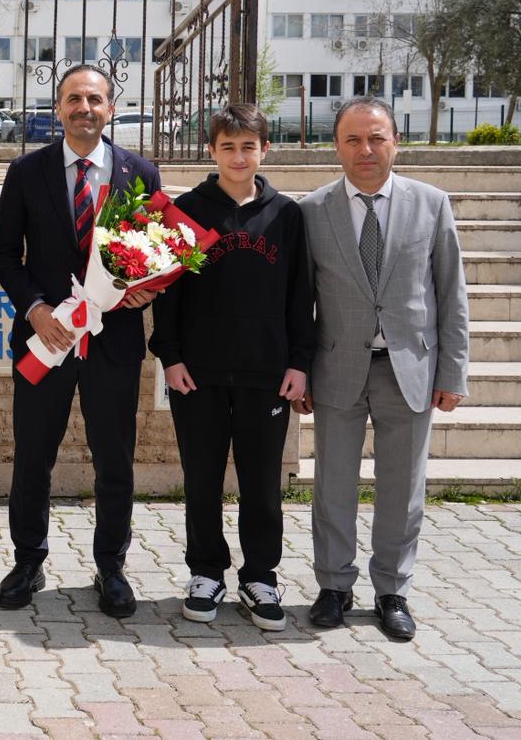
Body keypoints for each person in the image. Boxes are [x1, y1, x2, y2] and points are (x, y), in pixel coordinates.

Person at [295, 97, 468, 641]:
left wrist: (453, 372)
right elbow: (299, 302)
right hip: (337, 368)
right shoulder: (311, 210)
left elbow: (451, 293)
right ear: (336, 147)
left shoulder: (432, 204)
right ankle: (334, 586)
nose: (365, 150)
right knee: (333, 486)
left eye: (376, 138)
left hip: (410, 369)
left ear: (396, 142)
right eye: (352, 139)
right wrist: (299, 369)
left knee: (403, 489)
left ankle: (392, 591)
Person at [0, 64, 160, 616]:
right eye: (73, 99)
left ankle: (111, 566)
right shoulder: (26, 171)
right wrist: (36, 309)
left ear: (110, 108)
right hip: (48, 338)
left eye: (94, 99)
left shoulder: (141, 173)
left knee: (115, 459)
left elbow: (154, 252)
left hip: (114, 342)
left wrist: (143, 291)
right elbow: (4, 255)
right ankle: (27, 561)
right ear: (58, 108)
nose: (84, 108)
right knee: (32, 455)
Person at [148, 103, 313, 632]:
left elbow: (301, 296)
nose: (238, 157)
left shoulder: (287, 215)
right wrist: (170, 356)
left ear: (265, 150)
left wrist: (300, 363)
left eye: (248, 147)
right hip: (199, 373)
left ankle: (260, 576)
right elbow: (167, 292)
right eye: (228, 147)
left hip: (267, 373)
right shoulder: (187, 210)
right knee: (201, 477)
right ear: (211, 150)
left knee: (262, 482)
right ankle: (205, 573)